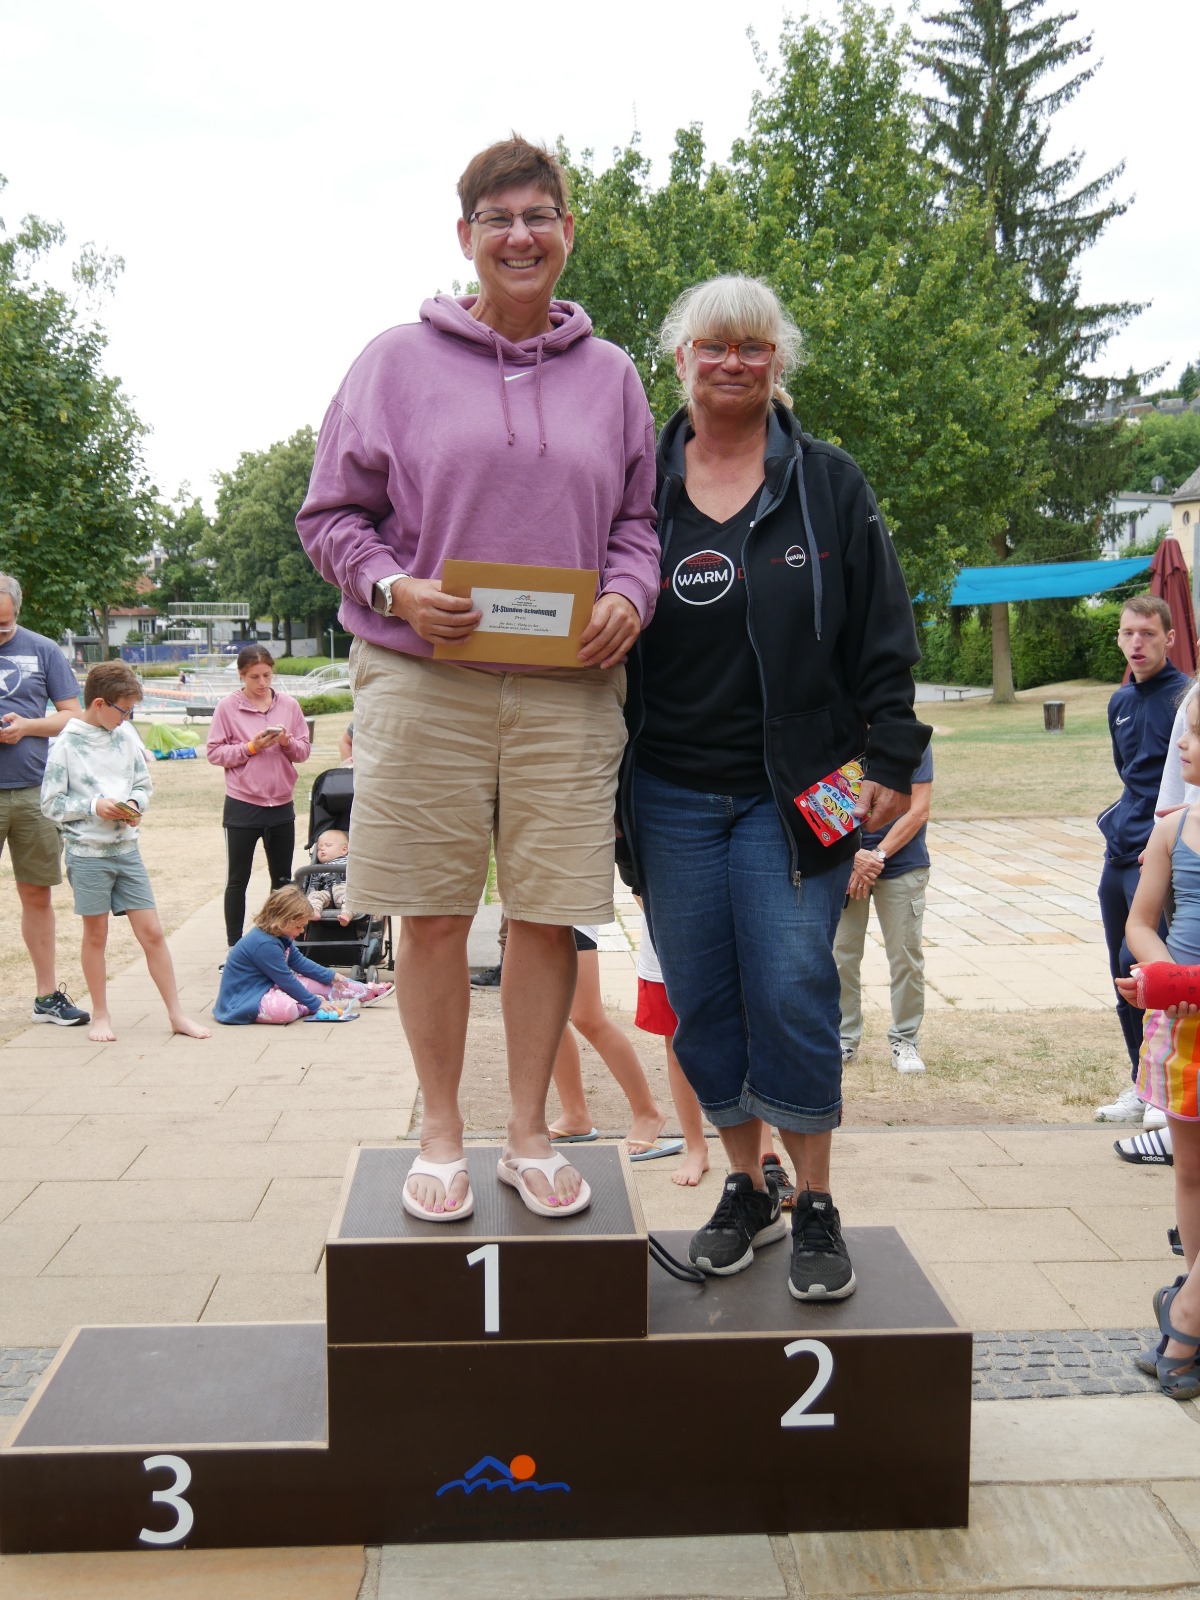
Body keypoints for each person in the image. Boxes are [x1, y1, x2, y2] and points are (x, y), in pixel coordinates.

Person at [296, 137, 659, 1224]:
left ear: (567, 232)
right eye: (498, 217)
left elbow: (638, 524)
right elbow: (331, 517)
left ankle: (531, 1134)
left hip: (568, 688)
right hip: (424, 680)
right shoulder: (393, 363)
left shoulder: (613, 376)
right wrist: (395, 588)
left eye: (539, 214)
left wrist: (631, 595)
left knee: (548, 917)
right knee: (434, 913)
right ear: (465, 236)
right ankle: (443, 1134)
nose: (520, 235)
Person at [619, 275, 929, 1300]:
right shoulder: (634, 485)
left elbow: (883, 631)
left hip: (806, 790)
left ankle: (819, 1201)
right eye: (713, 345)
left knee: (795, 985)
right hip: (666, 792)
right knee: (703, 999)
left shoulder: (828, 482)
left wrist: (893, 759)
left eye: (753, 346)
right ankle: (748, 1187)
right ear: (680, 360)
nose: (733, 362)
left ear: (778, 361)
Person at [38, 661, 209, 1044]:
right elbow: (50, 803)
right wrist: (93, 807)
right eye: (124, 710)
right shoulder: (67, 743)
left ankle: (176, 1013)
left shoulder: (126, 736)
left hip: (127, 850)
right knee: (95, 934)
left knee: (153, 932)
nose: (127, 717)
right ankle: (100, 1015)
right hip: (87, 854)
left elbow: (143, 784)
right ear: (99, 703)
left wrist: (134, 803)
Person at [1114, 692, 1200, 1398]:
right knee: (1190, 1173)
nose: (1183, 746)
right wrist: (1163, 972)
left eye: (1195, 734)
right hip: (1184, 1022)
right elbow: (1140, 921)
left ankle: (1188, 1317)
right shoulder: (1173, 828)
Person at [1095, 597, 1189, 1125]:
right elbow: (1127, 772)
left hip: (1160, 856)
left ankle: (1166, 1090)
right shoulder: (1120, 701)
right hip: (1119, 854)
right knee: (1121, 973)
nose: (1137, 642)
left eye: (1148, 633)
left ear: (1169, 639)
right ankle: (1140, 1084)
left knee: (1156, 970)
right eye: (1128, 632)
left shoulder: (1185, 698)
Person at [0, 572, 90, 1025]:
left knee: (37, 893)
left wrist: (27, 727)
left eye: (4, 624)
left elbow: (73, 715)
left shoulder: (43, 649)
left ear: (17, 610)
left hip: (34, 791)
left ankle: (46, 996)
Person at [835, 747, 935, 1074]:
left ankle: (905, 1040)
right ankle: (843, 1038)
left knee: (905, 956)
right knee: (840, 956)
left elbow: (918, 811)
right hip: (845, 863)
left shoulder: (911, 738)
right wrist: (853, 857)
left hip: (902, 864)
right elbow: (821, 805)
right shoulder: (835, 732)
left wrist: (876, 856)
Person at [206, 645, 312, 949]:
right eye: (254, 677)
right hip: (242, 805)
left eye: (267, 675)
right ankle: (235, 948)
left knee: (282, 881)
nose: (262, 682)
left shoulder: (289, 705)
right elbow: (214, 752)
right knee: (237, 880)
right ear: (242, 675)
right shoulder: (228, 707)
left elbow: (304, 751)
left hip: (281, 804)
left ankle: (277, 947)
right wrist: (250, 748)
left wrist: (287, 742)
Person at [547, 926, 680, 1159]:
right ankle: (574, 1115)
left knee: (587, 1016)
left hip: (571, 910)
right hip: (531, 910)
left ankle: (647, 1112)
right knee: (546, 1016)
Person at [214, 886, 382, 1025]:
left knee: (322, 982)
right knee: (286, 1011)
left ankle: (362, 991)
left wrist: (331, 976)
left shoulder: (280, 936)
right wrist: (315, 1004)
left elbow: (300, 963)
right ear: (282, 920)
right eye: (298, 926)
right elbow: (286, 980)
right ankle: (304, 1005)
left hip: (266, 986)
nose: (301, 931)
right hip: (245, 1000)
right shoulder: (264, 944)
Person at [634, 919, 710, 1187]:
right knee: (679, 1047)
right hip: (665, 938)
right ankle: (696, 1148)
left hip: (726, 932)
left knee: (743, 1042)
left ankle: (762, 1155)